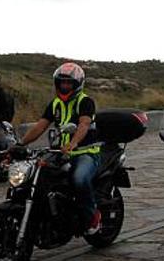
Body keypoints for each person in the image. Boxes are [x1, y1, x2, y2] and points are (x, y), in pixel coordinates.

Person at [19, 62, 102, 234]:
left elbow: (84, 124)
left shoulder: (85, 102)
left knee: (79, 179)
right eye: (62, 82)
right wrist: (19, 144)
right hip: (60, 152)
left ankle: (92, 216)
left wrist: (73, 143)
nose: (65, 86)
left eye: (69, 83)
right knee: (37, 174)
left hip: (85, 152)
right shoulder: (55, 104)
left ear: (77, 84)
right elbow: (40, 126)